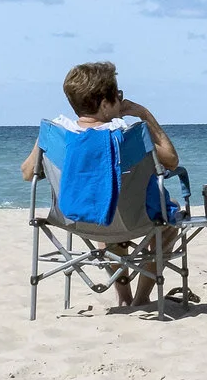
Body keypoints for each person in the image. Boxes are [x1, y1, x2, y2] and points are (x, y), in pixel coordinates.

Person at [18, 61, 181, 309]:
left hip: (75, 221)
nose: (121, 101)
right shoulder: (129, 135)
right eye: (118, 96)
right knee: (168, 217)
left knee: (103, 212)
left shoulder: (55, 134)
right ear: (105, 104)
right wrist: (144, 114)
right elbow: (171, 160)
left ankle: (123, 297)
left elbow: (27, 173)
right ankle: (141, 297)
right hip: (134, 222)